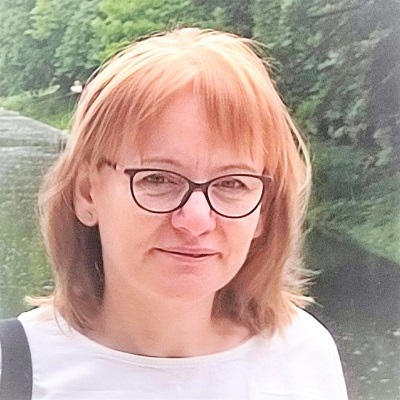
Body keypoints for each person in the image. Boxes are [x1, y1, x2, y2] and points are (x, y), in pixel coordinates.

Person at [0, 28, 348, 399]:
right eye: (158, 178)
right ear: (87, 193)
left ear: (263, 209)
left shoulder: (302, 358)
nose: (196, 220)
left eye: (233, 183)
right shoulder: (16, 369)